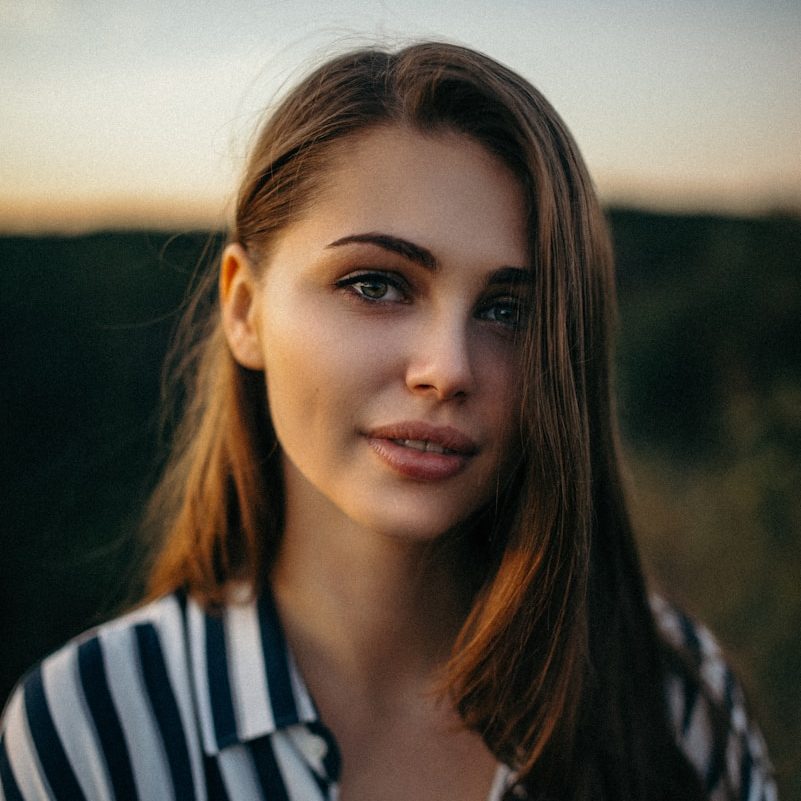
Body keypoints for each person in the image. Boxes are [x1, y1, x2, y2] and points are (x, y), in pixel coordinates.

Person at [0, 42, 776, 801]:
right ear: (243, 308)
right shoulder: (92, 728)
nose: (448, 368)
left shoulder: (671, 700)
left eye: (509, 309)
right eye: (376, 284)